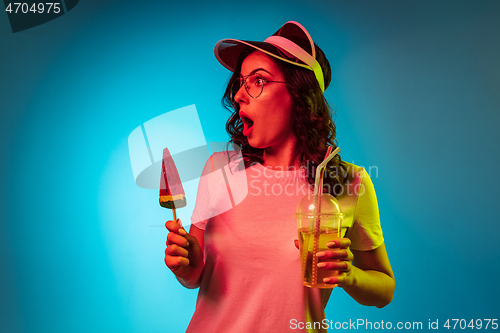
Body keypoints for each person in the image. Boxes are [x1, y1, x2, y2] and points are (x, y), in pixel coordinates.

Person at [164, 21, 395, 332]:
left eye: (258, 80)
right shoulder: (218, 169)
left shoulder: (347, 182)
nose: (239, 96)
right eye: (240, 83)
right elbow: (195, 279)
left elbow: (384, 290)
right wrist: (188, 266)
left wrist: (347, 275)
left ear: (300, 96)